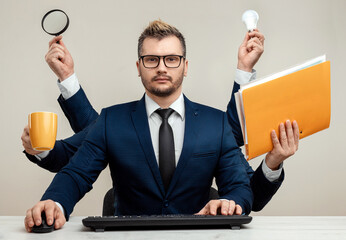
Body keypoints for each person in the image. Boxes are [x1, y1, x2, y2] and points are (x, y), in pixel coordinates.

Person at [24, 20, 299, 232]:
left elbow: (240, 186)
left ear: (185, 66)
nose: (162, 68)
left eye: (171, 59)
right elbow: (76, 173)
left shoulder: (216, 124)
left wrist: (229, 203)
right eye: (151, 60)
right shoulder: (111, 121)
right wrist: (54, 203)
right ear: (139, 66)